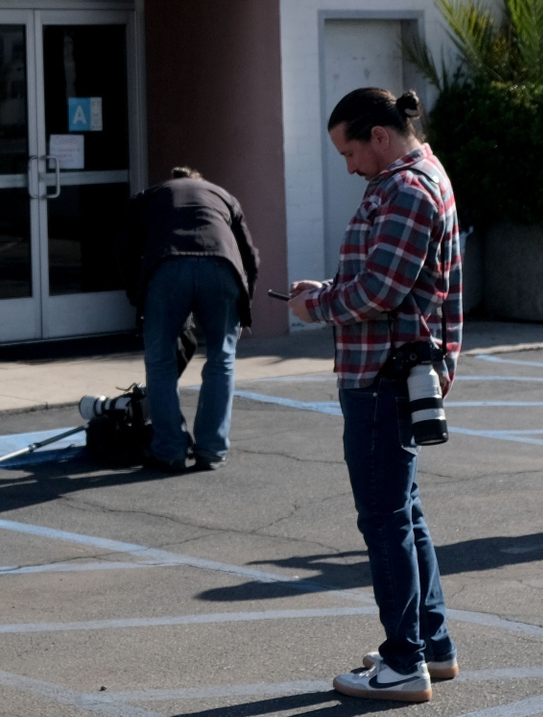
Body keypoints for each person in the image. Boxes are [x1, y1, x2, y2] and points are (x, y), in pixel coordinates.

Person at [287, 88, 462, 705]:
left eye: (350, 151)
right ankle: (430, 646)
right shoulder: (414, 180)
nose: (349, 165)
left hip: (382, 375)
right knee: (404, 514)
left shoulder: (406, 189)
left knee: (384, 520)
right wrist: (332, 286)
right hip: (395, 371)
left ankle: (403, 663)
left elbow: (382, 291)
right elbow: (384, 277)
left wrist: (319, 306)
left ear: (380, 138)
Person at [122, 166, 259, 473]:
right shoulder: (223, 196)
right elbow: (250, 255)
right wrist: (244, 307)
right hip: (222, 268)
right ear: (200, 181)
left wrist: (137, 297)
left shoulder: (149, 196)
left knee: (160, 361)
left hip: (167, 267)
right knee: (221, 359)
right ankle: (211, 450)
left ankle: (169, 450)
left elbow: (127, 250)